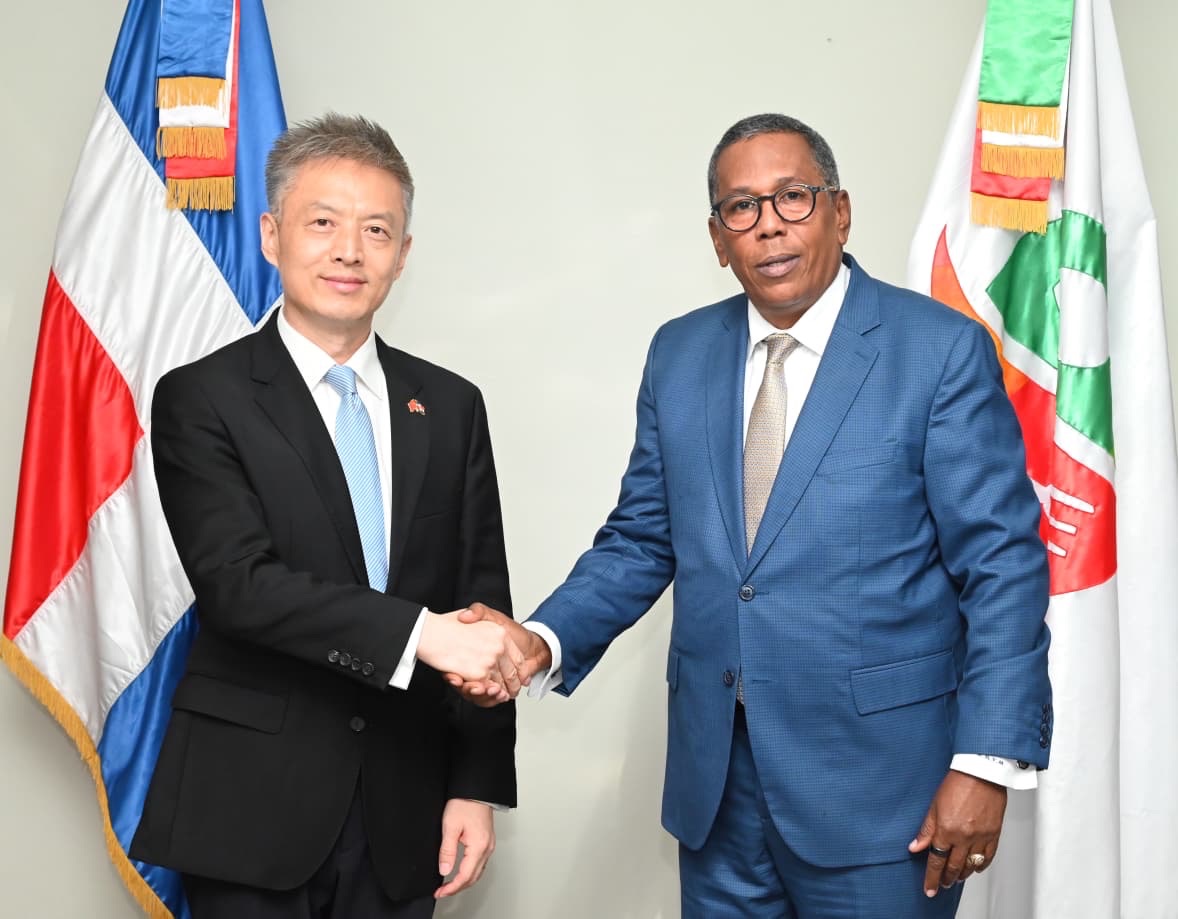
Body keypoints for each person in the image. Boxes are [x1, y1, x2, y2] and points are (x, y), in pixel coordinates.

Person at [456, 113, 1053, 917]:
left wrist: (984, 761)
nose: (769, 223)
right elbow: (641, 538)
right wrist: (541, 640)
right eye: (741, 207)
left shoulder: (937, 351)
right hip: (718, 795)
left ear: (840, 211)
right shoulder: (679, 354)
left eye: (793, 197)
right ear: (718, 237)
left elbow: (1003, 564)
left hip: (884, 798)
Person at [130, 113, 524, 919]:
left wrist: (476, 784)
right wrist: (421, 634)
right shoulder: (201, 397)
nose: (350, 250)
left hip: (407, 808)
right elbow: (239, 586)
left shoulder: (450, 405)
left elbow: (481, 603)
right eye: (322, 223)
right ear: (271, 235)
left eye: (376, 230)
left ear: (402, 254)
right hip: (251, 807)